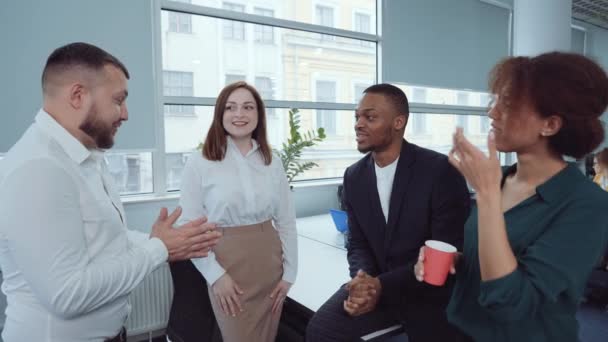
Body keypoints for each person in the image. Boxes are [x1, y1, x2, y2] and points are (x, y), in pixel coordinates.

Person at [0, 42, 222, 342]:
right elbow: (68, 294)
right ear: (77, 95)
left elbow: (103, 237)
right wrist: (159, 249)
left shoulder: (85, 156)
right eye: (118, 100)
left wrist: (170, 242)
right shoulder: (39, 168)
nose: (126, 114)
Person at [414, 52, 608, 341]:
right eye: (495, 101)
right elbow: (498, 257)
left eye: (508, 104)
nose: (492, 113)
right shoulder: (500, 178)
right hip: (459, 332)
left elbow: (510, 302)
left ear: (550, 125)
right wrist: (460, 261)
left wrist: (487, 196)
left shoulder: (587, 204)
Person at [306, 84, 471, 341]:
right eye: (357, 117)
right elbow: (357, 242)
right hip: (377, 284)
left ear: (398, 122)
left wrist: (380, 286)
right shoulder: (354, 176)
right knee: (320, 330)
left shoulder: (439, 170)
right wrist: (362, 280)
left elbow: (447, 249)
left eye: (369, 117)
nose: (358, 124)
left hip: (427, 291)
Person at [176, 81, 298, 342]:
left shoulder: (271, 161)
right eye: (231, 107)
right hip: (226, 266)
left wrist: (290, 274)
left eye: (248, 107)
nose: (239, 114)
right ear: (220, 114)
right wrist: (215, 276)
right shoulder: (199, 163)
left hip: (269, 266)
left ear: (258, 115)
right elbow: (189, 227)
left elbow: (286, 220)